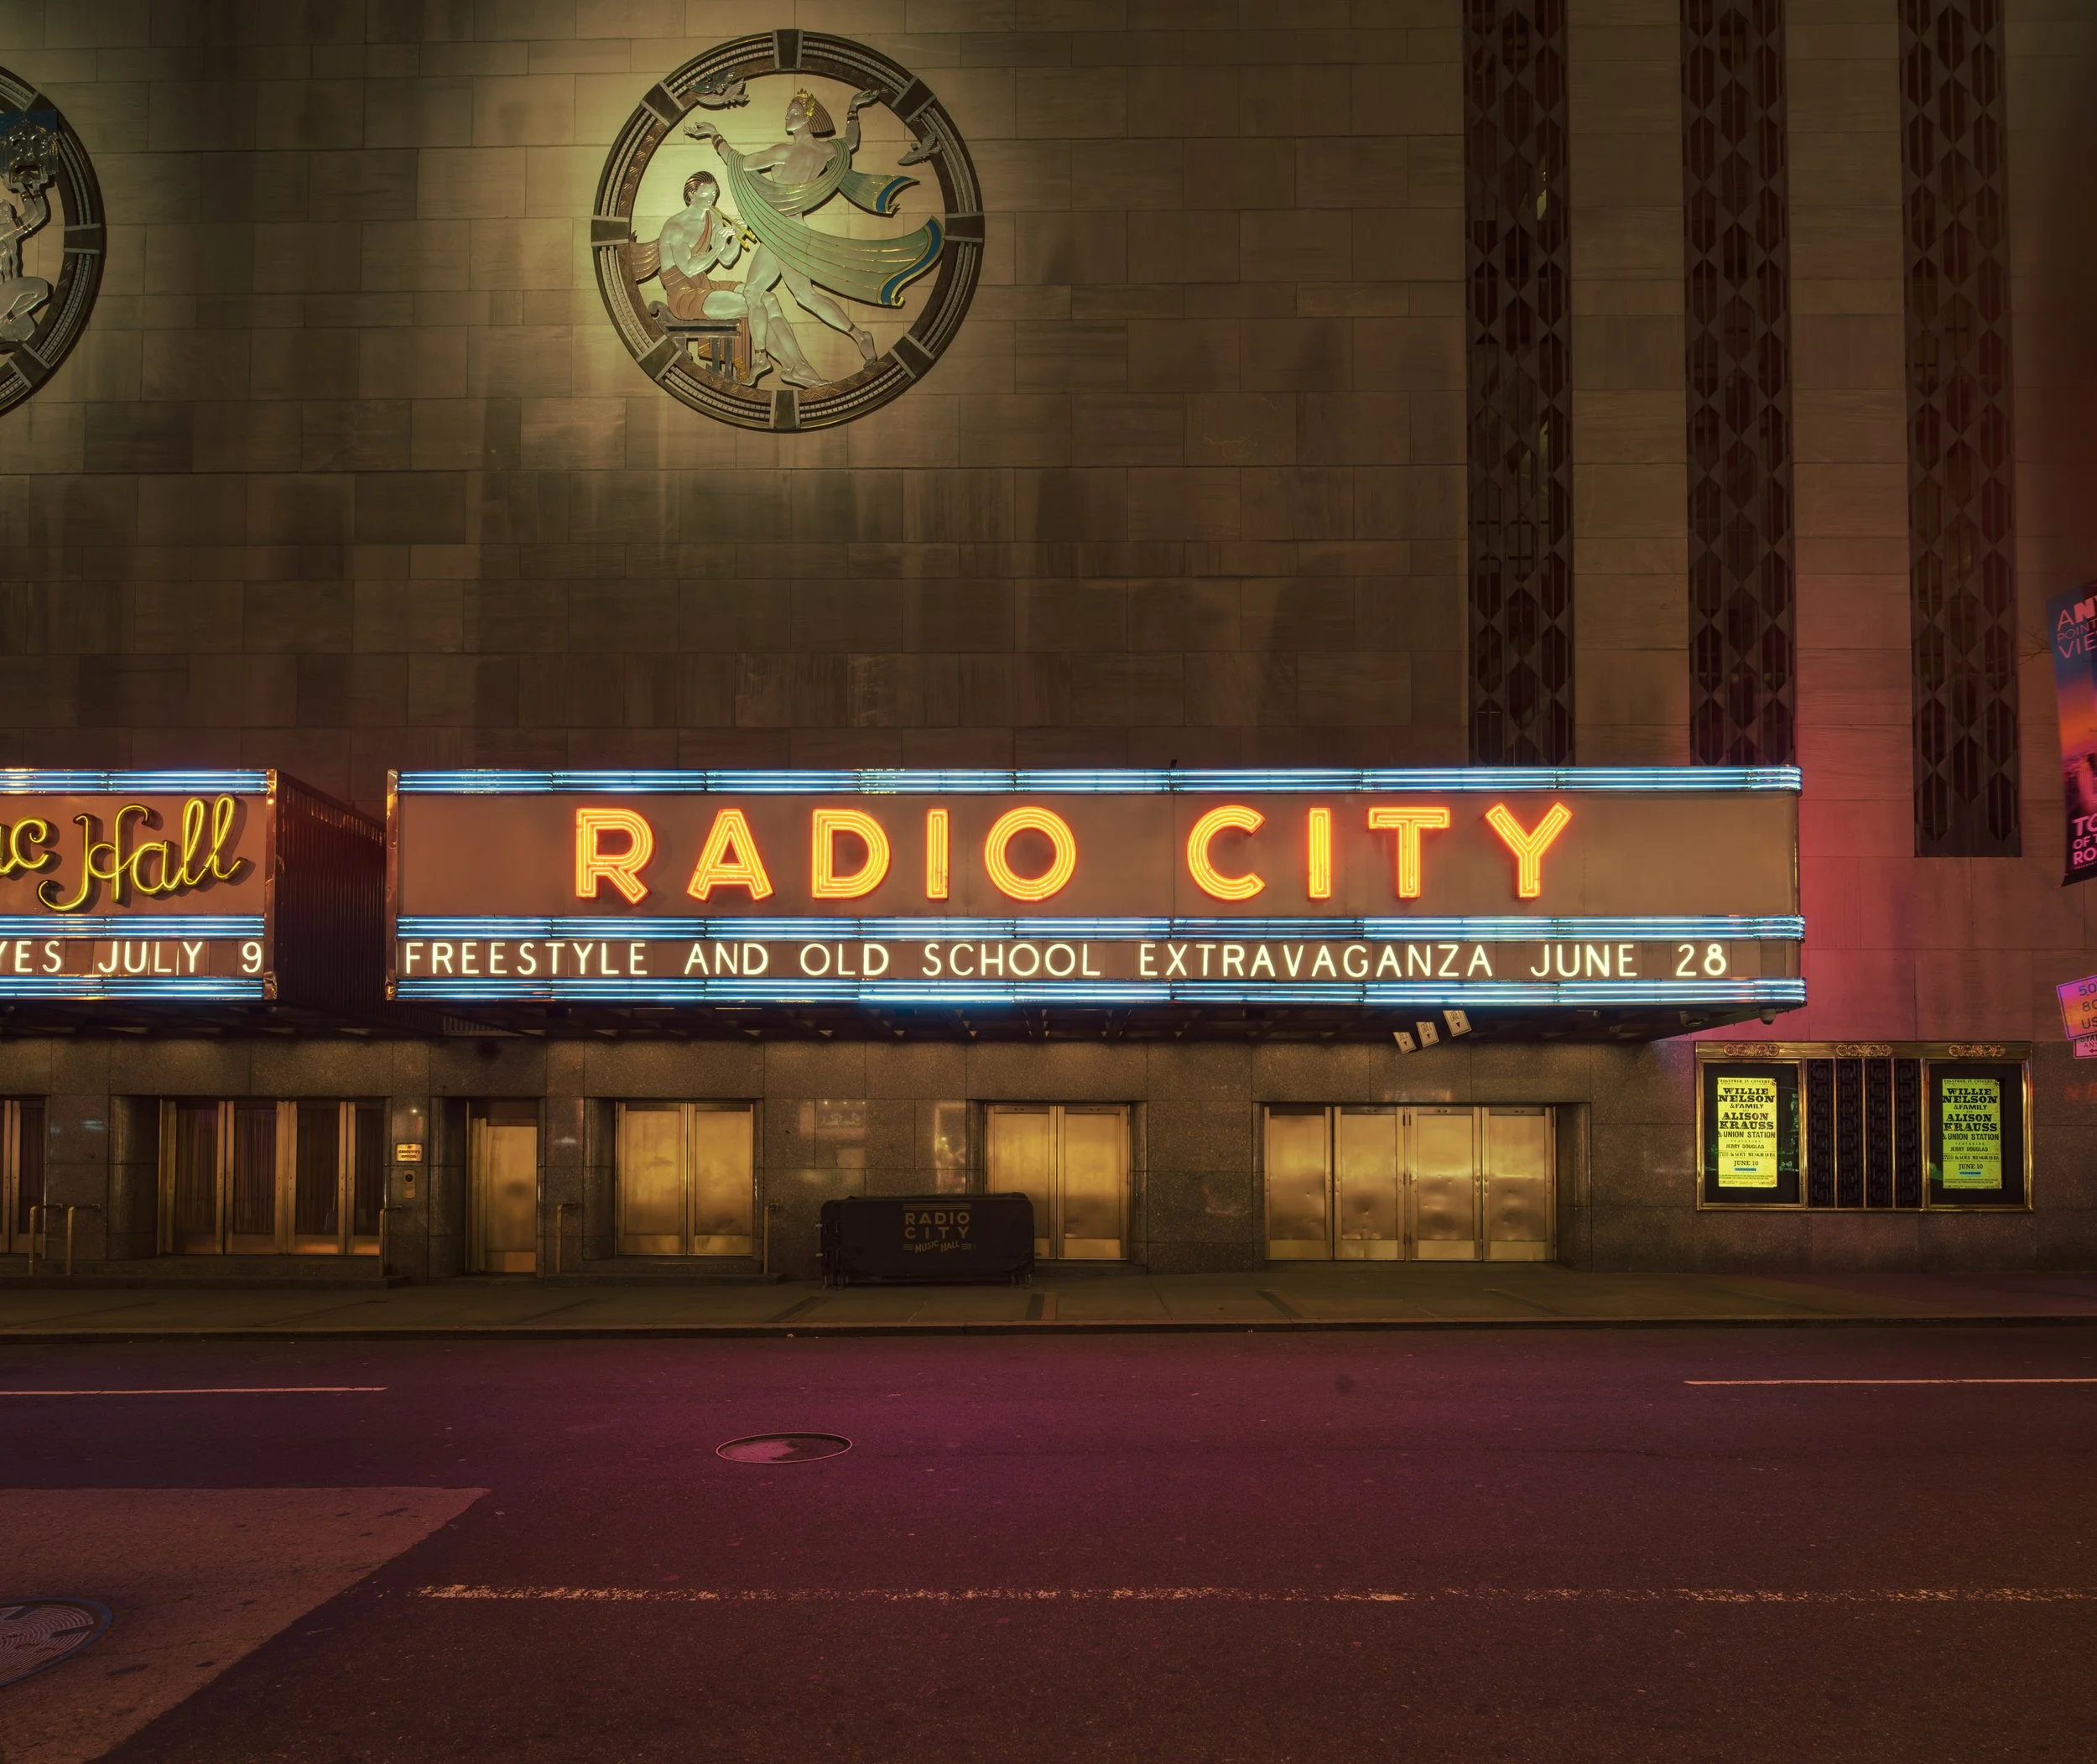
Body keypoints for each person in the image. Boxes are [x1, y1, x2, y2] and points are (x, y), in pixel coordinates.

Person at [685, 87, 943, 377]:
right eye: (787, 111)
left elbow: (740, 162)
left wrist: (715, 135)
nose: (788, 116)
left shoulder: (785, 152)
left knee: (771, 294)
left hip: (784, 234)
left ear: (808, 117)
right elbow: (851, 141)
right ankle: (852, 338)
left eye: (794, 112)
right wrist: (852, 109)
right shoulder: (826, 150)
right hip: (789, 231)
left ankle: (767, 356)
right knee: (792, 295)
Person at [632, 169, 818, 388]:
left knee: (769, 299)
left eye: (714, 194)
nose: (711, 199)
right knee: (753, 303)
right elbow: (690, 269)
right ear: (691, 196)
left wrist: (737, 236)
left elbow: (727, 259)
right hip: (685, 296)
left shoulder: (712, 216)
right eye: (705, 195)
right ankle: (765, 359)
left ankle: (797, 366)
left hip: (706, 286)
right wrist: (717, 247)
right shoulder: (676, 228)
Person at [0, 161, 52, 346]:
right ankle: (7, 320)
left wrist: (37, 189)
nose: (7, 215)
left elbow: (39, 215)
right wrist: (22, 188)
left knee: (29, 329)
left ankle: (9, 319)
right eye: (3, 213)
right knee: (39, 288)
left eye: (7, 212)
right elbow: (30, 215)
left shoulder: (10, 235)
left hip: (10, 297)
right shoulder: (1, 232)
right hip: (3, 293)